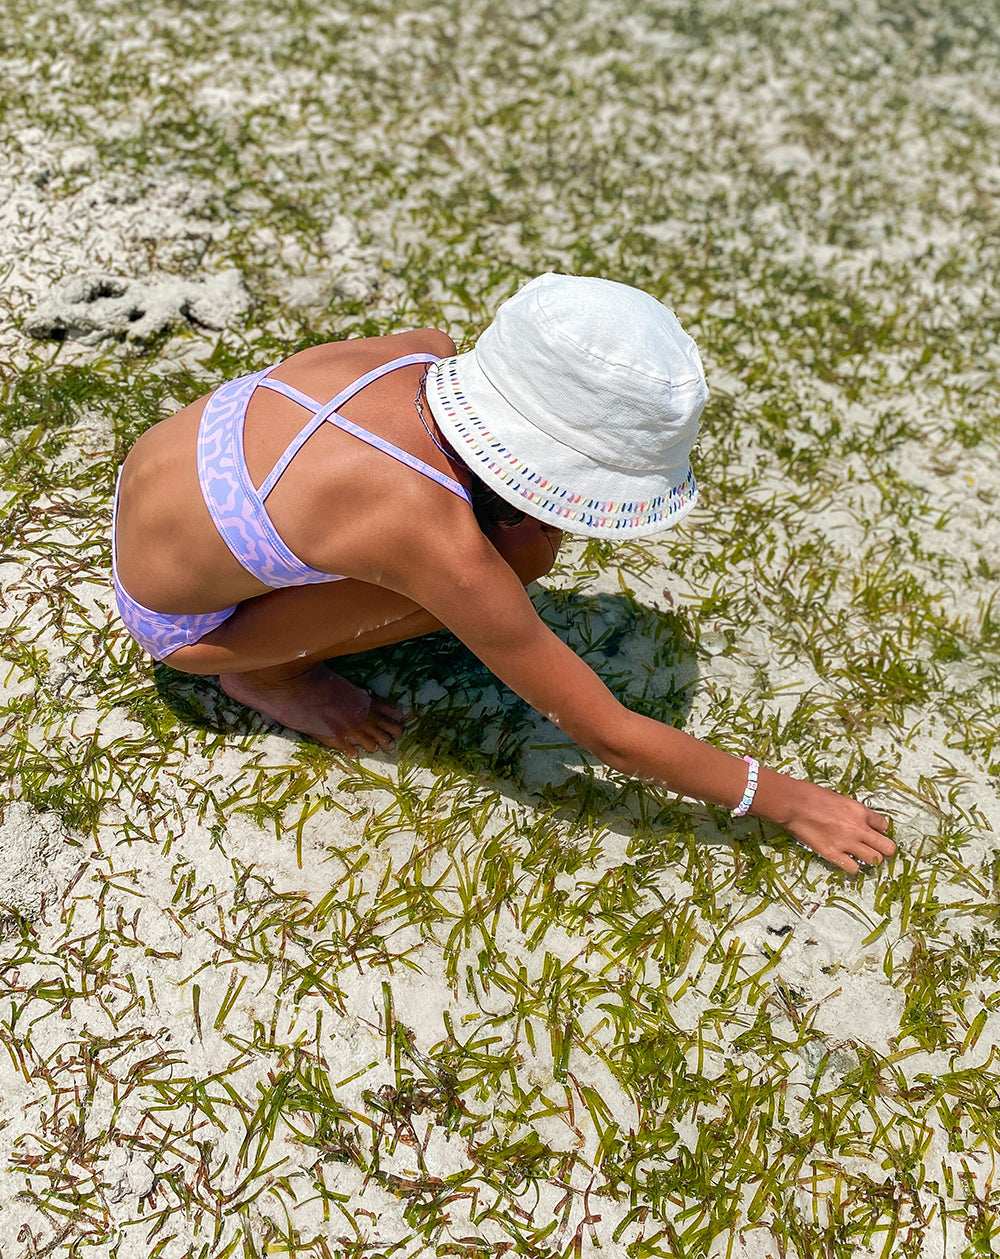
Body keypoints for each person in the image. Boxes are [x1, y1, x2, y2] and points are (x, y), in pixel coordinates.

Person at [113, 272, 896, 874]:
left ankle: (277, 624)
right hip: (186, 627)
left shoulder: (423, 348)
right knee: (511, 560)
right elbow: (610, 737)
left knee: (517, 550)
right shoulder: (427, 535)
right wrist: (792, 802)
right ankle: (271, 675)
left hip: (156, 491)